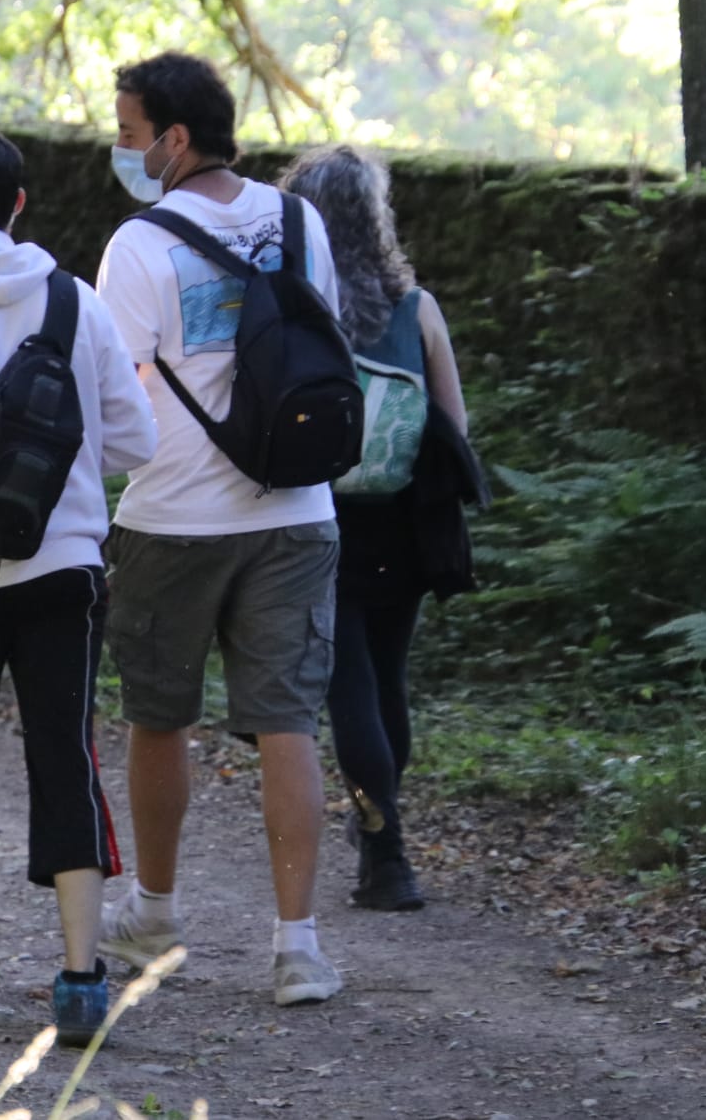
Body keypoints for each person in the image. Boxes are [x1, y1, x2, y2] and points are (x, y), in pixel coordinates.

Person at [92, 51, 346, 1006]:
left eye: (129, 134)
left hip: (173, 515)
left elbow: (116, 387)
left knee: (159, 718)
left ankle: (155, 912)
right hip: (298, 508)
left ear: (175, 137)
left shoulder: (138, 244)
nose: (123, 150)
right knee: (287, 722)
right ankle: (298, 948)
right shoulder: (301, 220)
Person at [0, 127, 157, 1046]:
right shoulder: (75, 301)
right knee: (65, 756)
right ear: (19, 203)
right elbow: (137, 440)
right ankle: (81, 978)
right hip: (67, 570)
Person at [277, 144, 467, 912]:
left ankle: (385, 854)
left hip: (319, 518)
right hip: (404, 522)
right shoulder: (417, 308)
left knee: (348, 686)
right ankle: (381, 833)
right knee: (387, 679)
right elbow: (454, 427)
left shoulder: (297, 308)